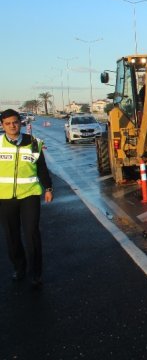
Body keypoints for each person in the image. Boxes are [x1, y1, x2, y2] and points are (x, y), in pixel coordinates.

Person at [0, 108, 53, 288]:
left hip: (29, 195)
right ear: (2, 125)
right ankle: (19, 268)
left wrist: (48, 188)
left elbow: (42, 168)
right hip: (5, 197)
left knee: (31, 234)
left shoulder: (34, 143)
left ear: (20, 122)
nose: (12, 126)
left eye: (15, 122)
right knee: (12, 235)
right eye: (7, 123)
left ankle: (36, 273)